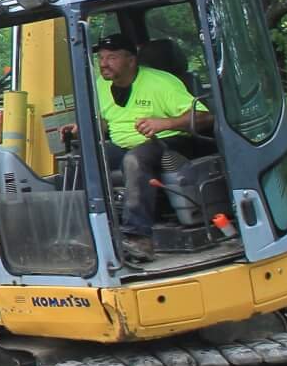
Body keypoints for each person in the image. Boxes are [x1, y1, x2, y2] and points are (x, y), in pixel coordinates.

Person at [72, 32, 207, 250]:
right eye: (101, 58)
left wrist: (164, 123)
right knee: (83, 159)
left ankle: (138, 236)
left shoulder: (161, 83)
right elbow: (107, 121)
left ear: (131, 61)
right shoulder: (100, 85)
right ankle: (86, 231)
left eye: (112, 58)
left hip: (167, 141)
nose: (104, 64)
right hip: (122, 144)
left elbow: (204, 116)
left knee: (134, 160)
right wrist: (84, 128)